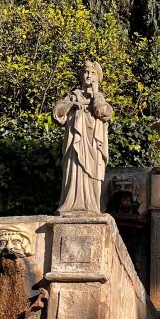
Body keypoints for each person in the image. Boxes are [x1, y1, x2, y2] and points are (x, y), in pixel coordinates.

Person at [53, 61, 113, 215]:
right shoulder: (74, 95)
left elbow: (103, 112)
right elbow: (57, 113)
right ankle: (71, 205)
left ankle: (92, 207)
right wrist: (71, 106)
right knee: (74, 172)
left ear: (98, 78)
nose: (88, 76)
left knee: (92, 174)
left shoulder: (100, 98)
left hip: (94, 145)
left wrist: (95, 94)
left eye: (93, 73)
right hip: (75, 145)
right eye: (86, 72)